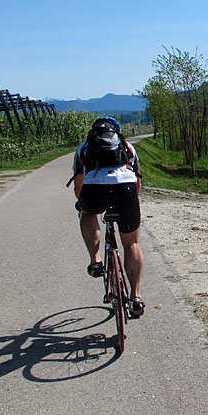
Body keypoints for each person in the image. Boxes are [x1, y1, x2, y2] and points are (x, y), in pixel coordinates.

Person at [71, 116, 145, 318]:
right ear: (117, 132)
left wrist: (82, 203)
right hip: (126, 189)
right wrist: (130, 204)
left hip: (94, 191)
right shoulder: (128, 148)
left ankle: (96, 260)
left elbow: (79, 184)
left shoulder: (84, 148)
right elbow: (137, 183)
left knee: (87, 212)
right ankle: (135, 297)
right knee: (131, 243)